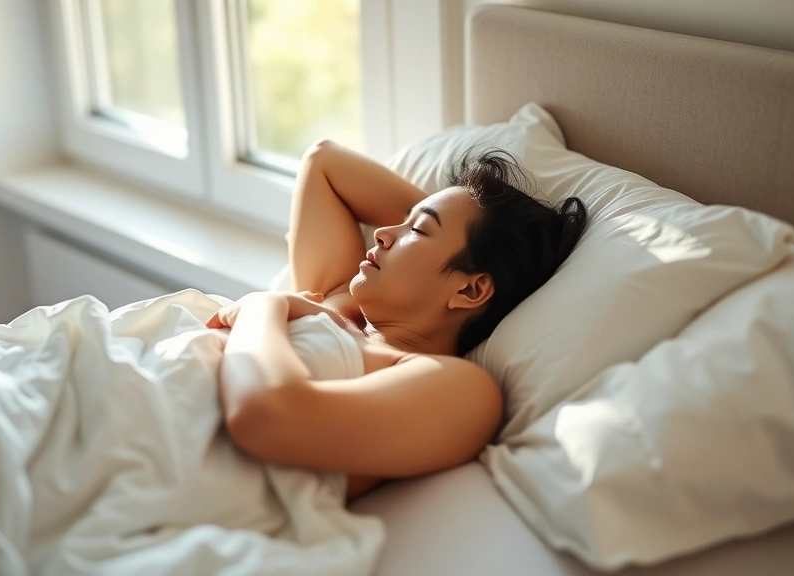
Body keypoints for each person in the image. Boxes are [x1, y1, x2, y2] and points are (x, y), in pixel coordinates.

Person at [207, 140, 587, 503]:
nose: (383, 232)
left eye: (416, 230)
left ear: (471, 292)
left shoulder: (460, 390)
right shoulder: (340, 304)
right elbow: (325, 163)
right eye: (404, 221)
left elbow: (265, 418)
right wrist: (436, 225)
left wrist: (263, 307)